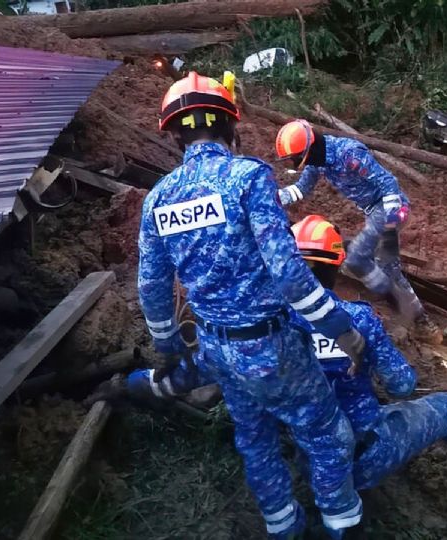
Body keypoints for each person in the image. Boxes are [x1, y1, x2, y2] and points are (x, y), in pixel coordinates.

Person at [139, 72, 364, 539]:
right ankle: (343, 525)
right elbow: (287, 271)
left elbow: (152, 284)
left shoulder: (158, 198)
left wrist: (167, 345)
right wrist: (340, 327)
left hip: (217, 349)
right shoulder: (248, 177)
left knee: (255, 440)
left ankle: (283, 528)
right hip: (271, 347)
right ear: (230, 126)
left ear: (176, 133)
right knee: (325, 434)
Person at [288, 214, 447, 535]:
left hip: (309, 460)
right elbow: (402, 386)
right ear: (336, 267)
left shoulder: (270, 326)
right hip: (364, 456)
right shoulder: (357, 318)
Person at [274, 120, 440, 341]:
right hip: (373, 211)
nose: (296, 164)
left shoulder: (348, 153)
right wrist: (270, 198)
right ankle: (422, 321)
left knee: (357, 258)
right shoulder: (317, 162)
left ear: (309, 149)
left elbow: (388, 182)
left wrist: (389, 227)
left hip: (391, 206)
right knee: (389, 269)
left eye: (296, 159)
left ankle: (395, 302)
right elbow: (301, 189)